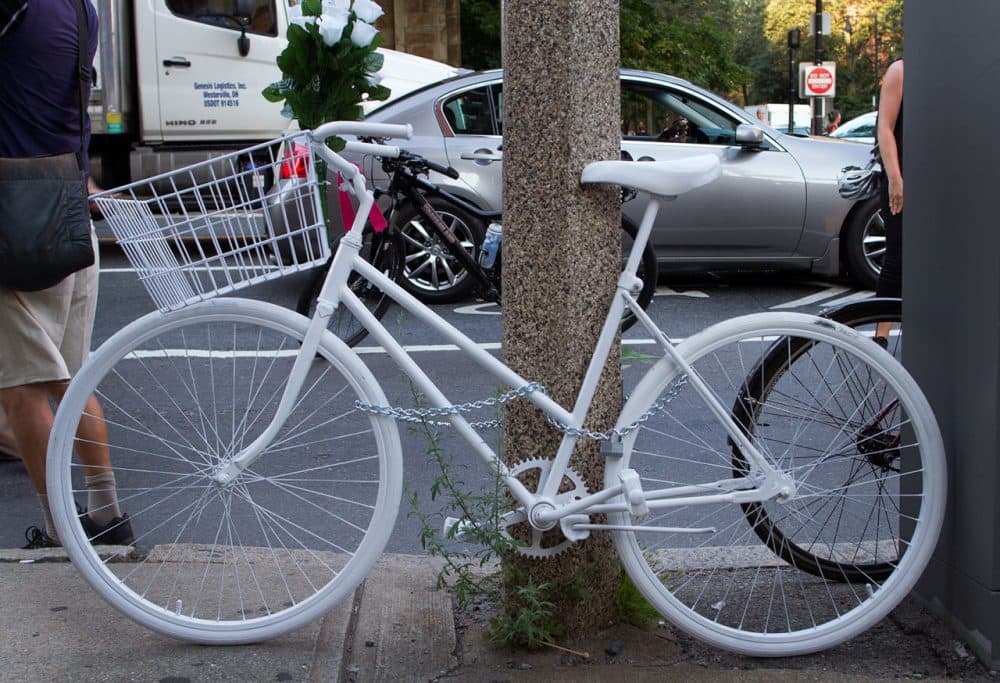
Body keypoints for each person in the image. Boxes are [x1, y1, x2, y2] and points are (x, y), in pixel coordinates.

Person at [0, 0, 133, 549]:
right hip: (70, 207)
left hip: (13, 219)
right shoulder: (82, 10)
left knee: (22, 385)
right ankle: (107, 515)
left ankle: (61, 529)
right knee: (74, 377)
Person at [874, 60, 903, 346]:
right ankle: (880, 336)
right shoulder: (901, 70)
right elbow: (885, 127)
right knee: (897, 257)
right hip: (902, 180)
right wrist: (895, 176)